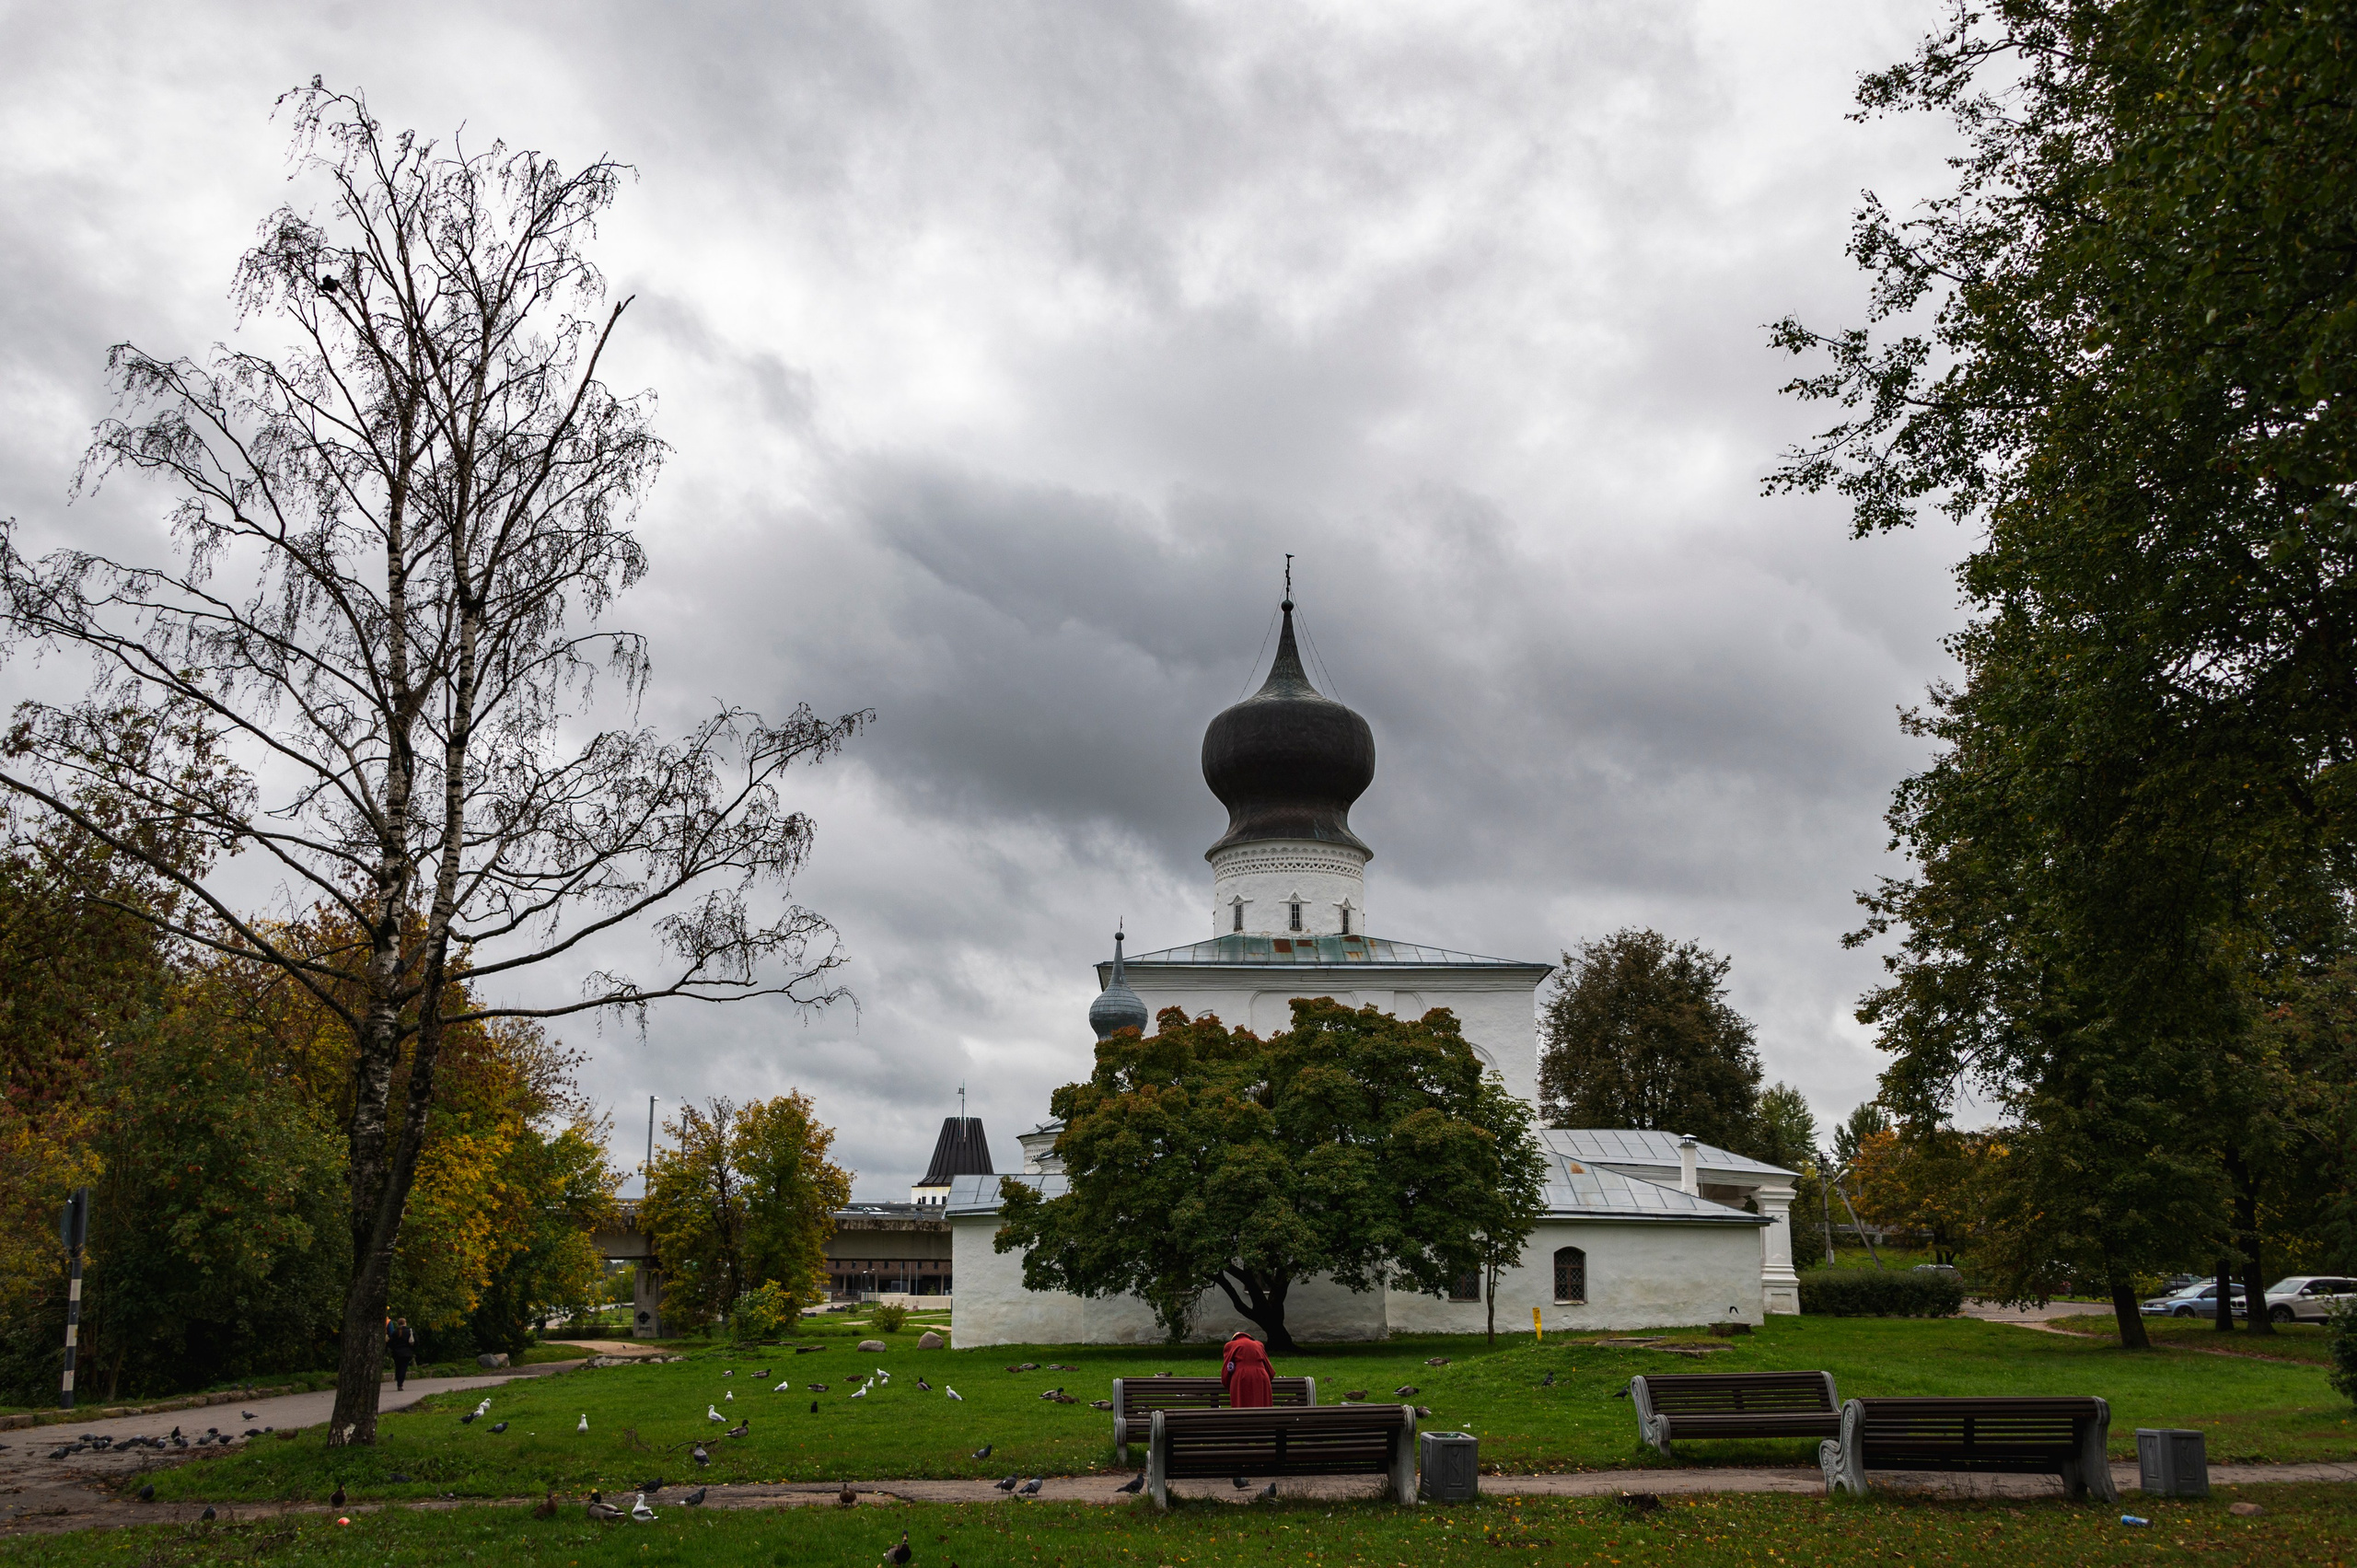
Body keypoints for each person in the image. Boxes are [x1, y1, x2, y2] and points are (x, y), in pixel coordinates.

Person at [1221, 1329, 1273, 1409]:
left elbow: (1226, 1370)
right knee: (1261, 1404)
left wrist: (1228, 1383)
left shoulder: (1231, 1345)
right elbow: (1270, 1370)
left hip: (1241, 1377)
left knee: (1242, 1404)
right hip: (1261, 1377)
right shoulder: (1259, 1345)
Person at [387, 1317, 416, 1390]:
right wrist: (411, 1349)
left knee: (398, 1367)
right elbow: (416, 1341)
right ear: (405, 1323)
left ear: (398, 1323)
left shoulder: (395, 1332)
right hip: (407, 1353)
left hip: (397, 1353)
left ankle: (398, 1381)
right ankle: (400, 1384)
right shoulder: (410, 1331)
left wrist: (393, 1349)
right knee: (403, 1368)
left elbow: (390, 1342)